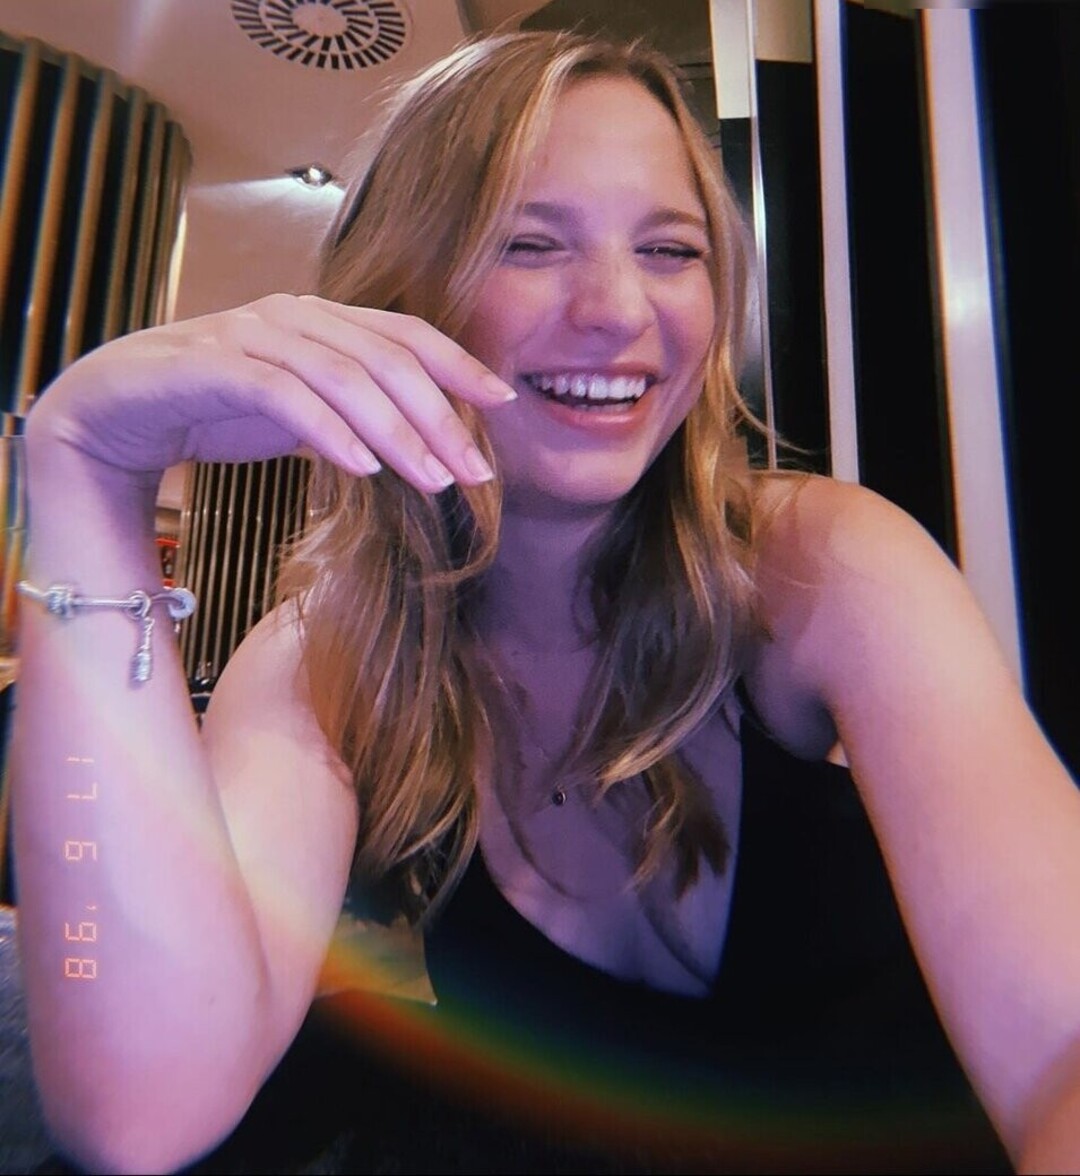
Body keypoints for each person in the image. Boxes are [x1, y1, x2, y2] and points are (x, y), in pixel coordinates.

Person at [9, 28, 1080, 1176]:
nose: (619, 308)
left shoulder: (823, 563)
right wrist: (85, 472)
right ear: (399, 290)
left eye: (670, 249)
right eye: (530, 242)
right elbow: (139, 1110)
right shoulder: (321, 660)